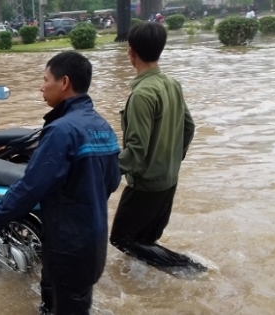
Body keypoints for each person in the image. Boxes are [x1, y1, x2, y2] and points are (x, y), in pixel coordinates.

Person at [0, 51, 121, 315]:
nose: (42, 87)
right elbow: (111, 181)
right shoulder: (103, 126)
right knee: (54, 301)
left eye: (45, 80)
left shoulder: (61, 131)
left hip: (68, 248)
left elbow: (30, 188)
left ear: (64, 82)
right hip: (91, 242)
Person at [109, 22, 205, 274]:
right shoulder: (172, 84)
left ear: (130, 52)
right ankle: (148, 292)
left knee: (122, 238)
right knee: (144, 243)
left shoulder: (142, 94)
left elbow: (136, 149)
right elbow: (189, 127)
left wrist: (104, 171)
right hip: (169, 180)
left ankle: (190, 269)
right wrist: (171, 160)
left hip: (146, 186)